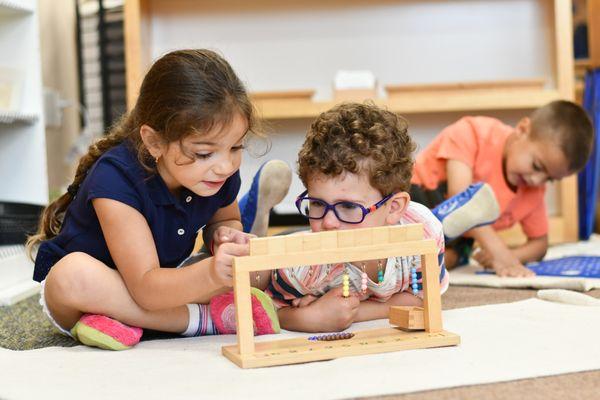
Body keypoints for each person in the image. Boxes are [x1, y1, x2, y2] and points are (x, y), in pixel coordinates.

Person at [26, 49, 280, 350]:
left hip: (163, 282)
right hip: (102, 292)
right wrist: (210, 274)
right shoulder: (115, 180)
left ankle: (130, 322)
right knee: (71, 276)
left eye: (236, 148)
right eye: (203, 153)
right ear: (154, 142)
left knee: (259, 273)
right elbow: (145, 288)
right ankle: (202, 321)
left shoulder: (216, 173)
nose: (225, 165)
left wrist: (223, 235)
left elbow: (224, 218)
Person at [263, 102, 492, 333]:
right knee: (259, 257)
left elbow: (425, 301)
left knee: (441, 231)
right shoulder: (301, 267)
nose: (328, 222)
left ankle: (450, 220)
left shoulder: (423, 232)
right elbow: (267, 308)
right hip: (293, 243)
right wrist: (309, 318)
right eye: (316, 204)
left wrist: (354, 312)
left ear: (393, 208)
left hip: (410, 227)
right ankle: (257, 224)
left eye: (349, 206)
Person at [410, 100, 594, 277]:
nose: (536, 180)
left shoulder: (534, 191)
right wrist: (498, 250)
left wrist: (512, 257)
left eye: (550, 179)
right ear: (522, 129)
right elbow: (462, 205)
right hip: (417, 201)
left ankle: (414, 264)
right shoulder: (473, 132)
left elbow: (540, 244)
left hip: (451, 237)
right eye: (537, 166)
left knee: (453, 256)